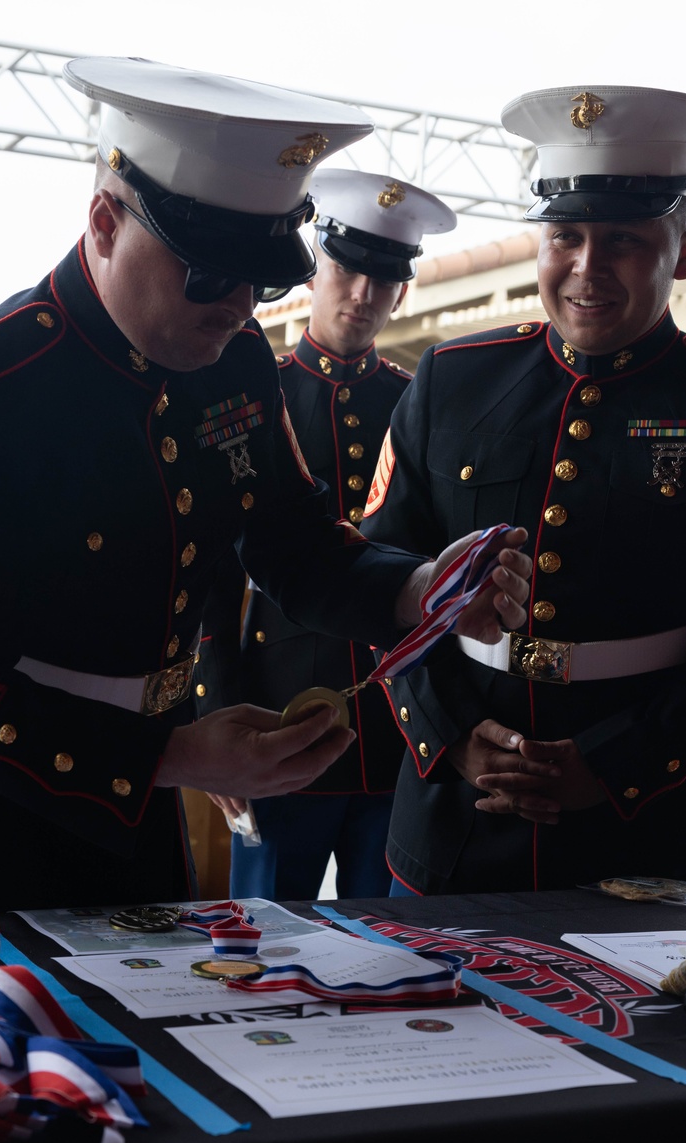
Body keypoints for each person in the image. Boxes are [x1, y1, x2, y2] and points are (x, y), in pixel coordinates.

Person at [0, 58, 530, 917]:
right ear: (106, 222)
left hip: (129, 818)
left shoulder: (235, 362)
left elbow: (297, 545)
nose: (235, 305)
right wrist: (174, 758)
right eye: (205, 272)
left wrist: (423, 590)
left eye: (260, 278)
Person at [362, 84, 686, 894]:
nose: (587, 268)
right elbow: (377, 580)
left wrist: (616, 765)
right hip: (455, 817)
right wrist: (450, 735)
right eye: (565, 237)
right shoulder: (454, 380)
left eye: (623, 239)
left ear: (684, 253)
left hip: (652, 821)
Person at [198, 169, 455, 897]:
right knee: (264, 950)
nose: (363, 294)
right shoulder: (254, 395)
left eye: (384, 277)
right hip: (279, 720)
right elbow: (215, 566)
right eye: (348, 269)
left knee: (392, 955)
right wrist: (215, 708)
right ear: (316, 270)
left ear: (403, 289)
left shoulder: (418, 405)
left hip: (396, 732)